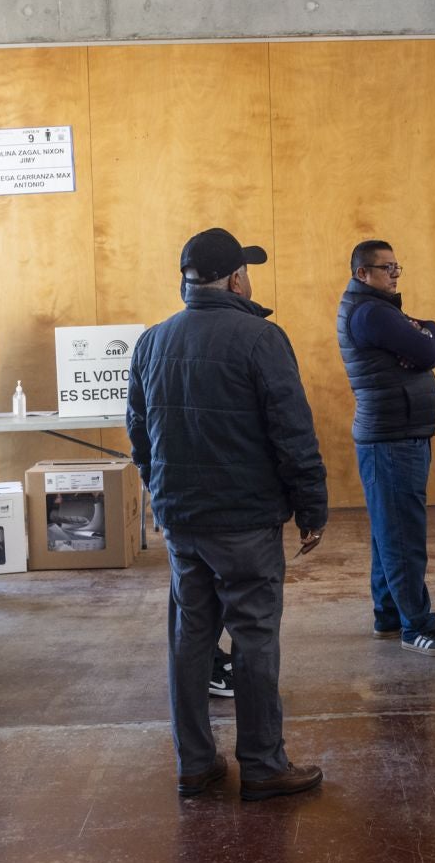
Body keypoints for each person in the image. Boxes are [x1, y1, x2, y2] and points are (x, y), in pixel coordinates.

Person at [128, 227, 328, 801]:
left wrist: (162, 492)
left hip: (183, 522)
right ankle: (263, 764)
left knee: (191, 636)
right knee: (255, 636)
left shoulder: (152, 341)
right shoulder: (261, 338)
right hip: (244, 521)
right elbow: (292, 430)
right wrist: (311, 504)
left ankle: (194, 763)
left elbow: (140, 434)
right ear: (236, 278)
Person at [337, 238, 435, 656]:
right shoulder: (370, 313)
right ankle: (417, 627)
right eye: (386, 268)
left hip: (397, 433)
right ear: (362, 274)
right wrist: (421, 341)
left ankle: (389, 616)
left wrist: (423, 337)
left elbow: (431, 331)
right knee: (402, 535)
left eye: (396, 267)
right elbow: (427, 348)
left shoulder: (377, 310)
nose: (394, 274)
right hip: (392, 437)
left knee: (389, 531)